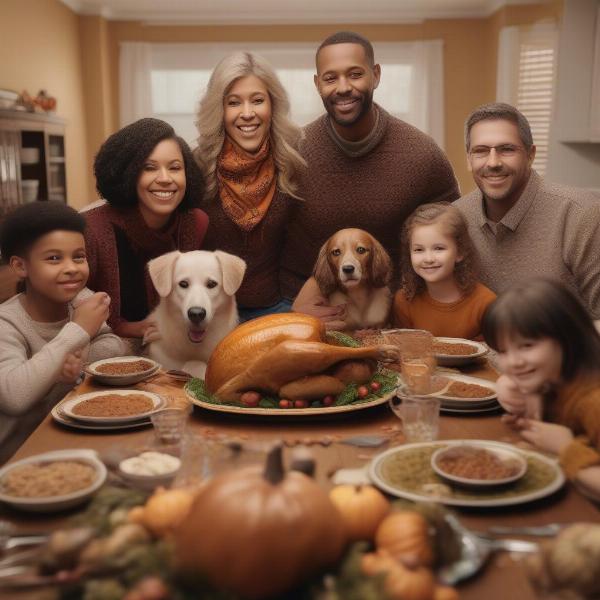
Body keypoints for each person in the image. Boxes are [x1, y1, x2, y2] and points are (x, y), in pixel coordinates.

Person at [282, 30, 459, 326]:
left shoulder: (422, 154)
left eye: (354, 74)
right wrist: (296, 307)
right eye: (330, 78)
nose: (343, 88)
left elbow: (452, 235)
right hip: (306, 310)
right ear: (317, 84)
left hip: (392, 314)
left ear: (375, 75)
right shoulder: (293, 153)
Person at [0, 201, 125, 464]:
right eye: (54, 258)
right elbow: (14, 397)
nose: (71, 267)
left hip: (69, 441)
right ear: (21, 267)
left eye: (78, 256)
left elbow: (113, 345)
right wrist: (77, 331)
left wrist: (79, 361)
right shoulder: (6, 323)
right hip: (16, 459)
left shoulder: (81, 299)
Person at [455, 102, 600, 319]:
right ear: (469, 159)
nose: (493, 162)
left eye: (507, 149)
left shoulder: (581, 214)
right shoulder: (456, 217)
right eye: (481, 151)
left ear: (530, 155)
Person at [195, 51, 306, 322]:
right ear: (219, 110)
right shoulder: (194, 166)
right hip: (209, 311)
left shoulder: (294, 163)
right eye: (234, 103)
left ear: (273, 105)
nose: (247, 113)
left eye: (257, 100)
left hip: (278, 307)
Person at [84, 118, 209, 338]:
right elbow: (68, 306)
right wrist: (128, 328)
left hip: (170, 346)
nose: (165, 178)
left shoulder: (196, 223)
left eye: (175, 168)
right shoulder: (91, 229)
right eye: (149, 168)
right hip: (104, 346)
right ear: (128, 174)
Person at [482, 278, 600, 502]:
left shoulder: (594, 400)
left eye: (526, 346)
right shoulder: (553, 382)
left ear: (567, 338)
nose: (513, 362)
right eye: (503, 351)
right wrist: (533, 409)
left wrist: (566, 448)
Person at [392, 202, 496, 339]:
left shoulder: (485, 303)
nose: (428, 258)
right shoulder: (404, 301)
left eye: (439, 248)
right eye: (419, 250)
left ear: (460, 252)